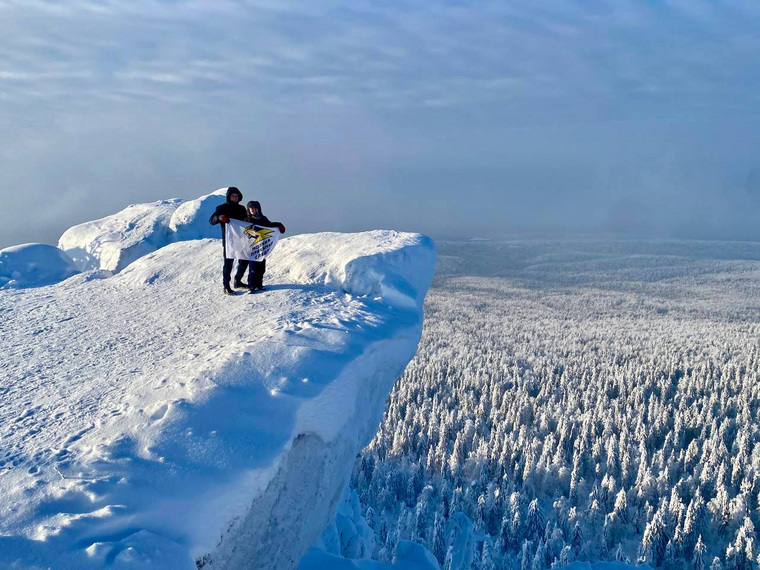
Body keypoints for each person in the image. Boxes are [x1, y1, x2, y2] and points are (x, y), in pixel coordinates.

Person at [209, 186, 250, 295]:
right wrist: (220, 217)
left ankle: (238, 281)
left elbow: (248, 222)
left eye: (236, 196)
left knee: (244, 260)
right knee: (228, 264)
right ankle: (226, 286)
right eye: (233, 196)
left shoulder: (242, 209)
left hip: (242, 240)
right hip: (229, 241)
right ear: (229, 196)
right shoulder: (222, 208)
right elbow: (211, 220)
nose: (235, 197)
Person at [244, 200, 285, 292]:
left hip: (262, 246)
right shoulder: (246, 220)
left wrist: (279, 225)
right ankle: (251, 286)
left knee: (261, 268)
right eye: (250, 208)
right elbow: (242, 230)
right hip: (252, 247)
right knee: (253, 268)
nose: (252, 210)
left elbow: (270, 225)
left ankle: (259, 284)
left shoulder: (263, 219)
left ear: (258, 209)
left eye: (253, 208)